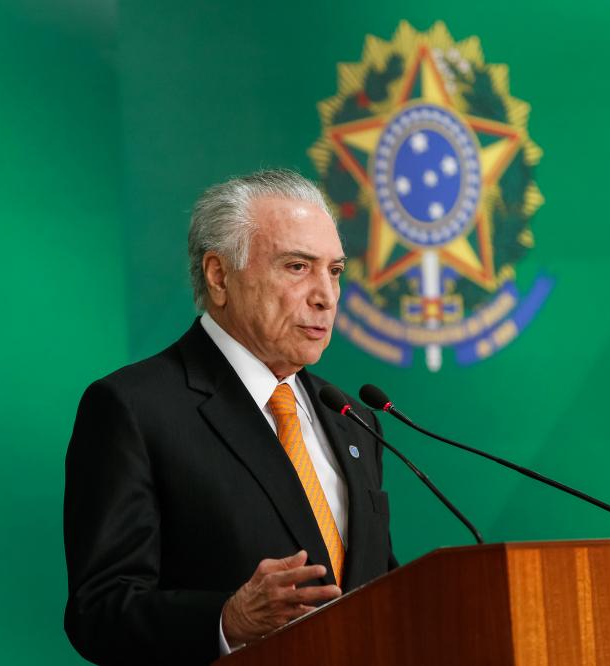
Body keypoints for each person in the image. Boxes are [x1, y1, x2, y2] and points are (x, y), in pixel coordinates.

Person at [63, 169, 397, 665]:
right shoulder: (133, 409)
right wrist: (226, 620)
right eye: (298, 267)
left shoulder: (352, 419)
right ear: (219, 276)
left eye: (334, 271)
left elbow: (376, 586)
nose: (326, 295)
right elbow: (100, 611)